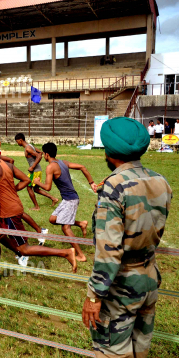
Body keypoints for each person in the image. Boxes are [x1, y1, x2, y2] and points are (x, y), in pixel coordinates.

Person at [82, 117, 171, 357]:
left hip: (120, 286)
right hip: (149, 278)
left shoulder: (114, 187)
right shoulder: (160, 180)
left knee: (113, 350)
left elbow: (108, 250)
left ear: (109, 151)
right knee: (141, 347)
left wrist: (94, 295)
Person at [0, 138, 77, 283]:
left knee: (24, 249)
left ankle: (66, 253)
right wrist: (12, 190)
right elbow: (26, 179)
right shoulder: (6, 164)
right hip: (10, 209)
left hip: (10, 212)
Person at [34, 142, 94, 262]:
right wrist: (91, 183)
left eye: (44, 154)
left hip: (71, 200)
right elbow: (82, 167)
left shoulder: (50, 167)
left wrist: (37, 182)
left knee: (66, 228)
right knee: (53, 219)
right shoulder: (63, 162)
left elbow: (47, 187)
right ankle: (81, 223)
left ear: (46, 154)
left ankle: (81, 255)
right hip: (68, 199)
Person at [15, 133, 58, 210]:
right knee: (36, 189)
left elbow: (39, 156)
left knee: (28, 188)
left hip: (35, 171)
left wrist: (32, 166)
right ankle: (53, 198)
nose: (17, 143)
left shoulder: (28, 148)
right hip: (37, 170)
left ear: (20, 140)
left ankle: (36, 207)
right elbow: (40, 152)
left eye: (17, 141)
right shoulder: (30, 146)